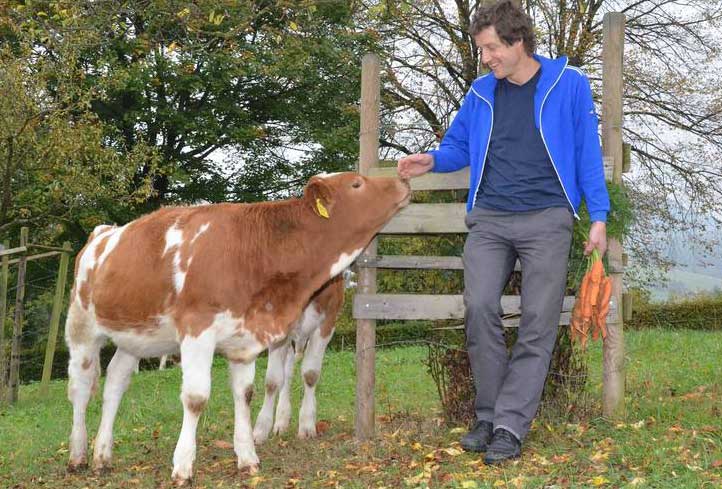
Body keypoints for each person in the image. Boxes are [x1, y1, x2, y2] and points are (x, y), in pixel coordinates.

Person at [397, 0, 609, 464]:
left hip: (548, 218)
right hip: (490, 218)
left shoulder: (567, 83)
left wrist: (599, 215)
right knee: (478, 308)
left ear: (517, 42)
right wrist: (432, 160)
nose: (486, 58)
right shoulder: (479, 93)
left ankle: (510, 425)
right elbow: (457, 145)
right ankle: (489, 416)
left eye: (491, 48)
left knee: (537, 321)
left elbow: (586, 151)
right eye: (482, 50)